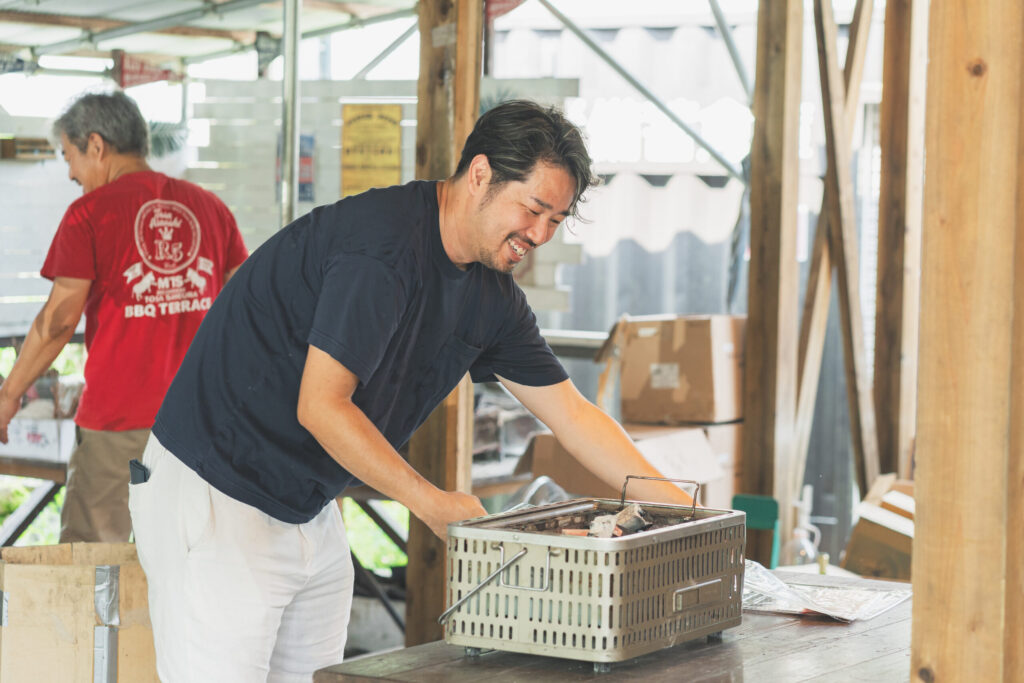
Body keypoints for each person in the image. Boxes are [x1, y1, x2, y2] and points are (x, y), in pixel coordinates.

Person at [129, 99, 694, 681]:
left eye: (557, 219)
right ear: (480, 175)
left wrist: (685, 513)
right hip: (217, 490)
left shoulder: (492, 295)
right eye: (533, 209)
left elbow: (573, 416)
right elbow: (321, 406)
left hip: (309, 504)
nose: (540, 234)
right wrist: (430, 502)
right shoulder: (383, 248)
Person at [0, 90, 248, 543]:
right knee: (190, 552)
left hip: (119, 421)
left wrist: (9, 394)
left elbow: (58, 322)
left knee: (96, 558)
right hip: (203, 419)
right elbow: (245, 310)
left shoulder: (89, 214)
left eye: (69, 156)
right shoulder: (210, 208)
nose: (71, 173)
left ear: (96, 145)